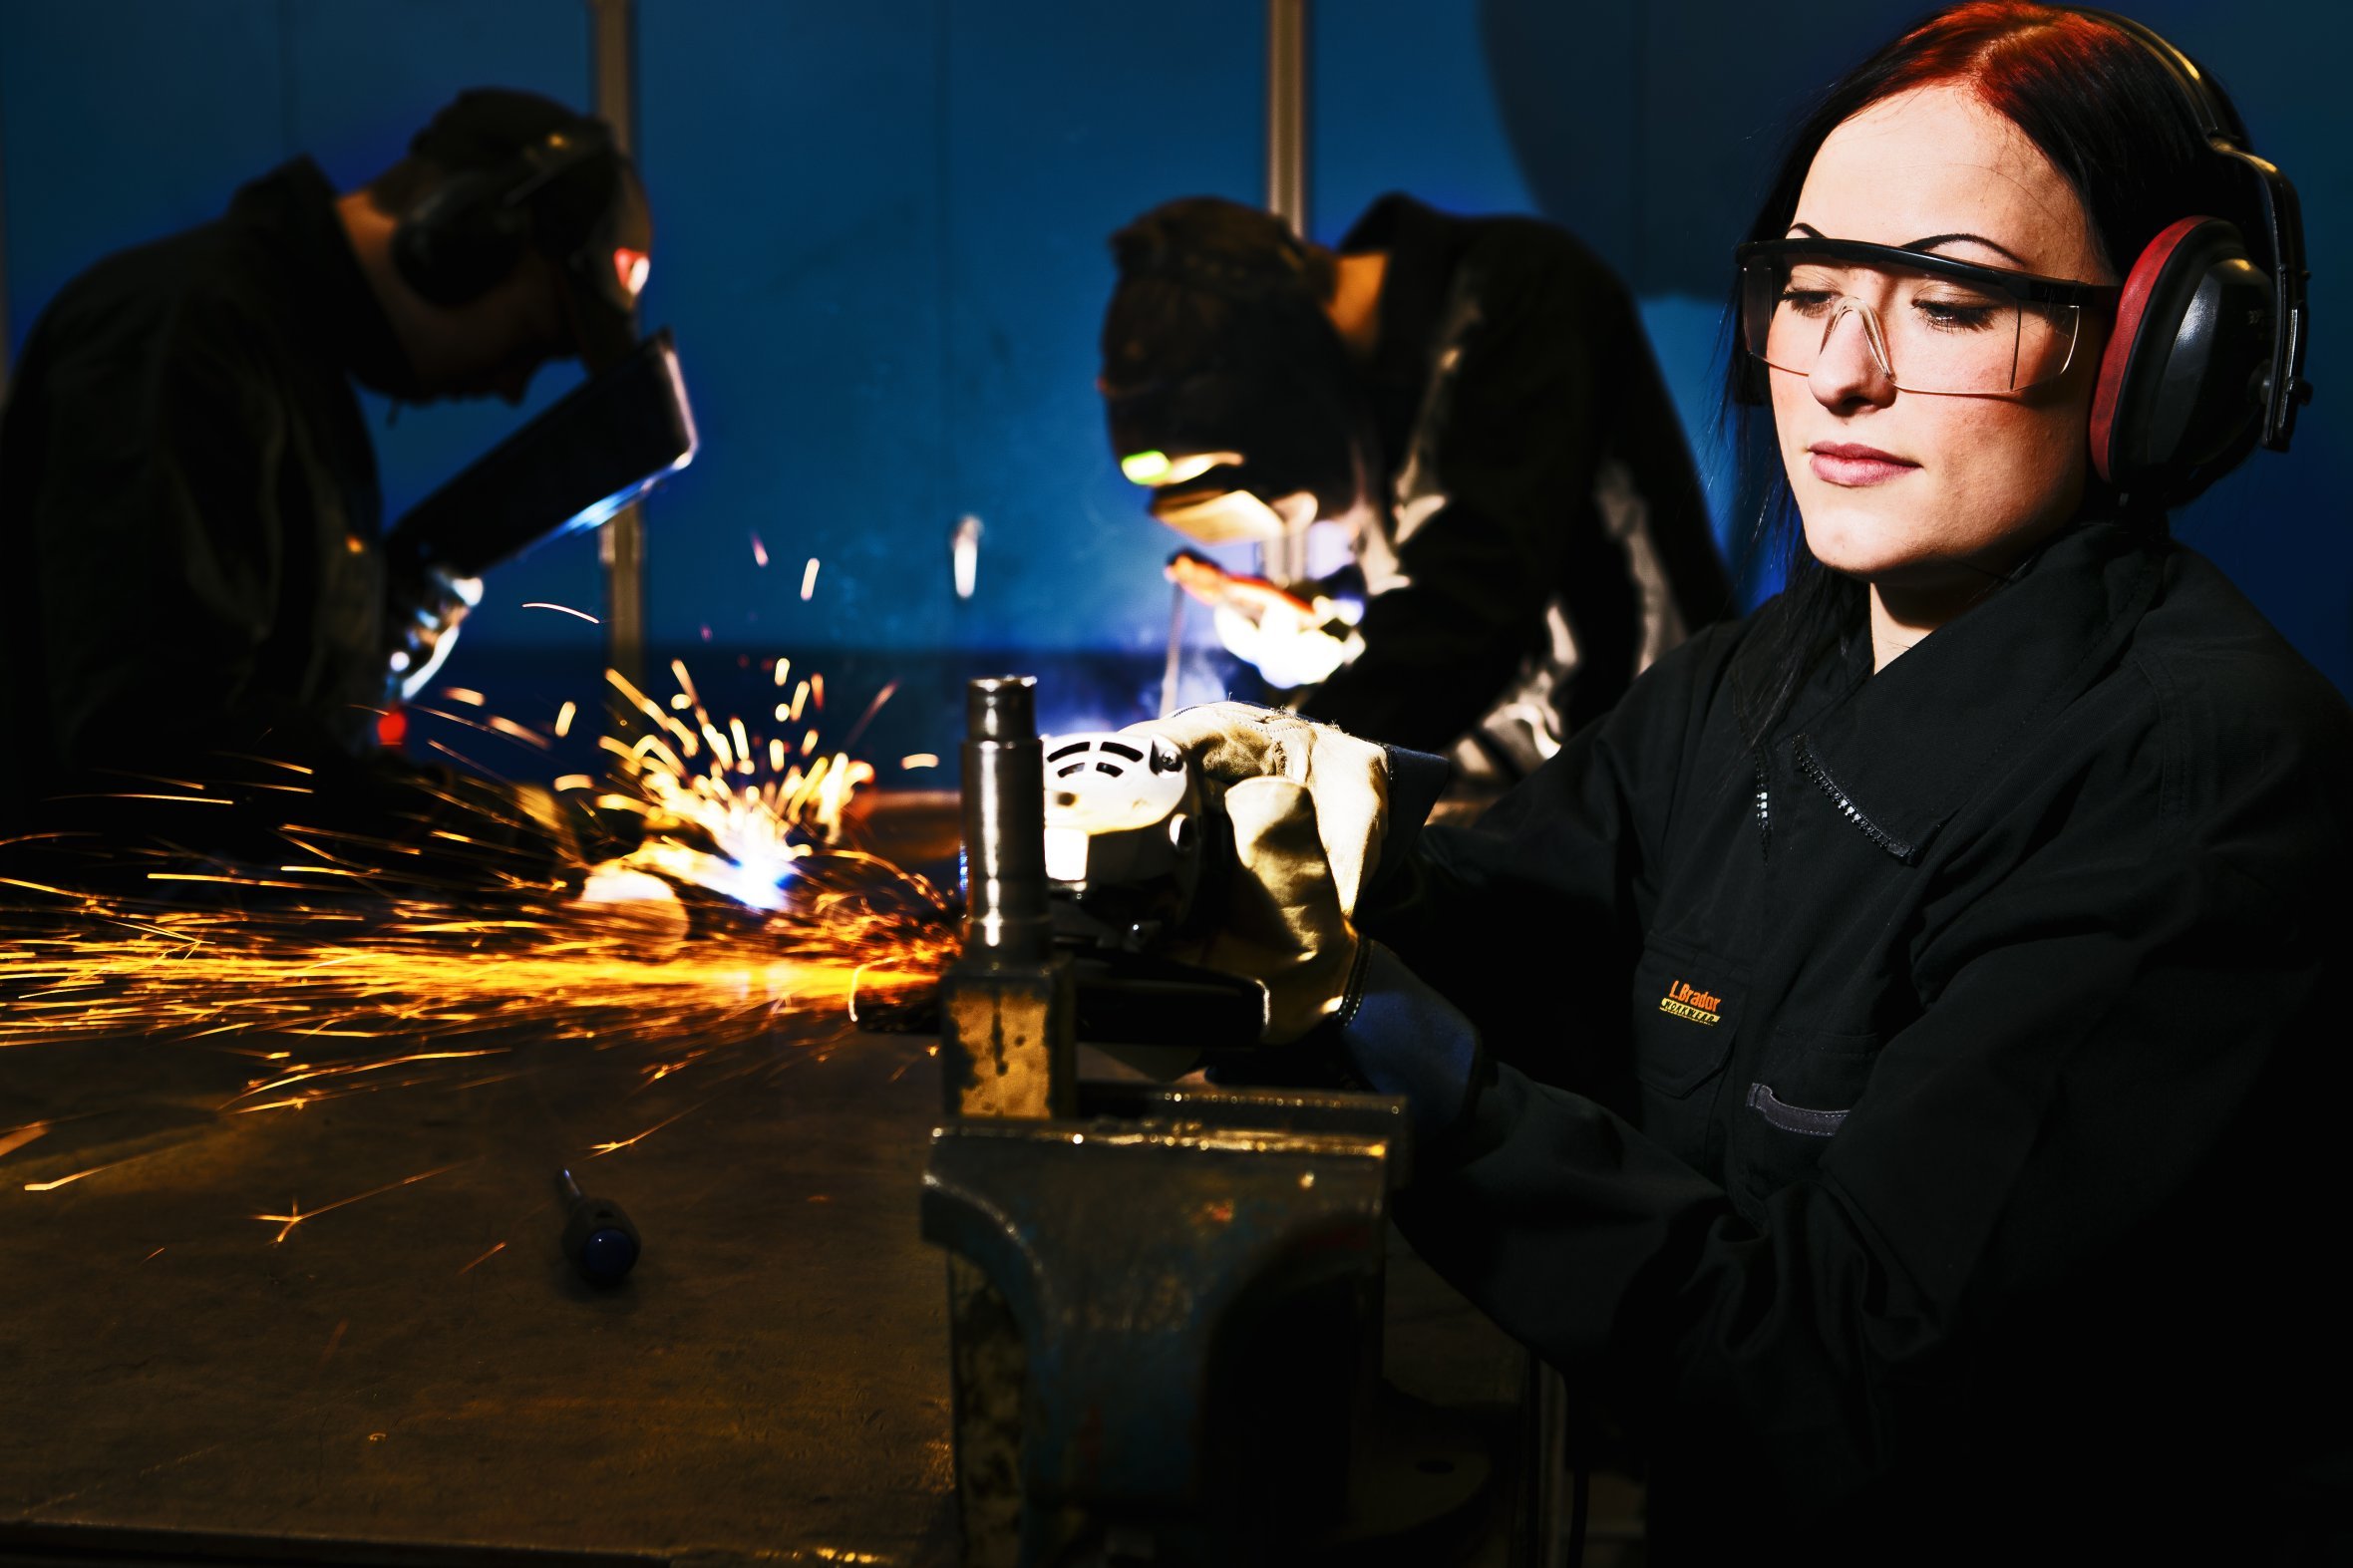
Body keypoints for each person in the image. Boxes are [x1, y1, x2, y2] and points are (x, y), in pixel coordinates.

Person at [1137, 5, 2345, 1559]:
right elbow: (1528, 925)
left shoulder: (2197, 787)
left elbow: (1838, 1388)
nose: (1838, 374)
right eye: (1812, 291)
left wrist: (1376, 1033)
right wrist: (1298, 851)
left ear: (2157, 359)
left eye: (1949, 304)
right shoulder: (1757, 678)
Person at [0, 89, 651, 881]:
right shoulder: (183, 335)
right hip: (79, 940)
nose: (513, 385)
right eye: (532, 336)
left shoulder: (297, 376)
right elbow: (154, 744)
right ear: (461, 240)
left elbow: (289, 720)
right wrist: (484, 836)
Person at [1099, 191, 1732, 784]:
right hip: (1547, 783)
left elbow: (1469, 607)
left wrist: (1282, 769)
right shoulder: (1381, 399)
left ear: (1276, 381)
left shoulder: (1519, 293)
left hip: (1665, 779)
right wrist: (1319, 617)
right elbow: (1436, 577)